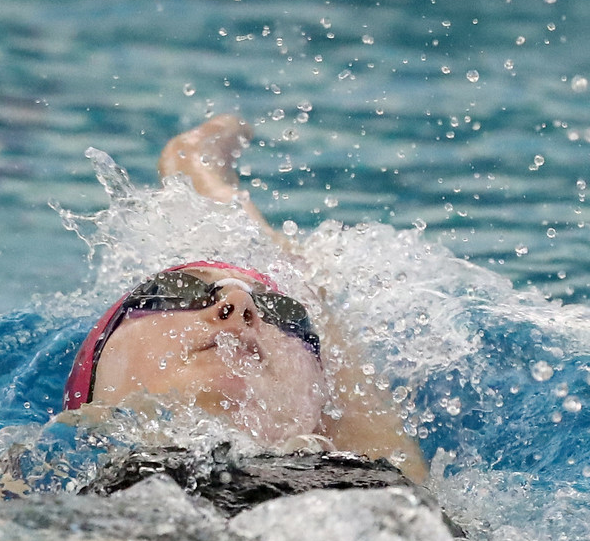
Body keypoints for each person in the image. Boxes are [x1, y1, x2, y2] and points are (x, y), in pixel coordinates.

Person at [56, 113, 428, 512]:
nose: (240, 305)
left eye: (283, 311)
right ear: (88, 388)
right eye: (175, 292)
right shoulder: (25, 486)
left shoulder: (387, 495)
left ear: (320, 411)